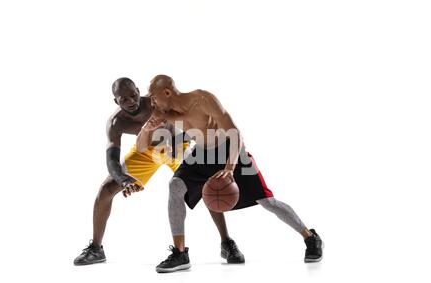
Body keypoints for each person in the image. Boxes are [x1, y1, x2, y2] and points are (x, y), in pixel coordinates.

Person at [138, 75, 323, 273]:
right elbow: (141, 147)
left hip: (230, 150)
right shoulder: (164, 112)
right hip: (201, 154)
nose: (151, 102)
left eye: (153, 97)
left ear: (167, 92)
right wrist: (146, 129)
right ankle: (180, 252)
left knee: (268, 202)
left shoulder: (203, 99)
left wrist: (229, 167)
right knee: (175, 186)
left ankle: (310, 237)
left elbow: (235, 133)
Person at [73, 78, 245, 267]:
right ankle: (96, 249)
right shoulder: (116, 122)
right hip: (146, 152)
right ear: (116, 101)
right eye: (124, 99)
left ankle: (226, 242)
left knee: (208, 185)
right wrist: (123, 180)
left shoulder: (156, 103)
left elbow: (194, 123)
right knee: (106, 190)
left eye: (133, 95)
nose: (131, 101)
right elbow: (112, 159)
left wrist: (178, 140)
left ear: (139, 91)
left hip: (176, 145)